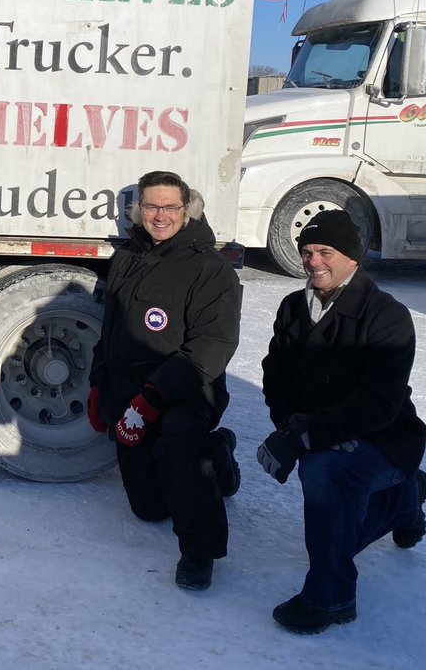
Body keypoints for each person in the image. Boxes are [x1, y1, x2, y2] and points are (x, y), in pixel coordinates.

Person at [258, 209, 426, 634]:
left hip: (385, 437)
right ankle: (406, 499)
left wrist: (305, 436)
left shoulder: (387, 316)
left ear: (353, 257)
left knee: (324, 476)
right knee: (332, 524)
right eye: (307, 252)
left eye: (326, 251)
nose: (314, 261)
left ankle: (331, 598)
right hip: (321, 428)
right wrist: (290, 425)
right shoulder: (293, 307)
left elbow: (379, 403)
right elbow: (275, 373)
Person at [88, 170, 241, 591]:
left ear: (186, 210)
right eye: (151, 206)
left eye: (170, 207)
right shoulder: (126, 259)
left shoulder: (210, 269)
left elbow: (213, 345)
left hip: (186, 390)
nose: (160, 216)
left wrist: (154, 397)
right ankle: (220, 449)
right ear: (138, 210)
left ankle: (200, 551)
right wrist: (99, 383)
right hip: (130, 392)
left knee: (182, 448)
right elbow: (111, 332)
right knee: (150, 509)